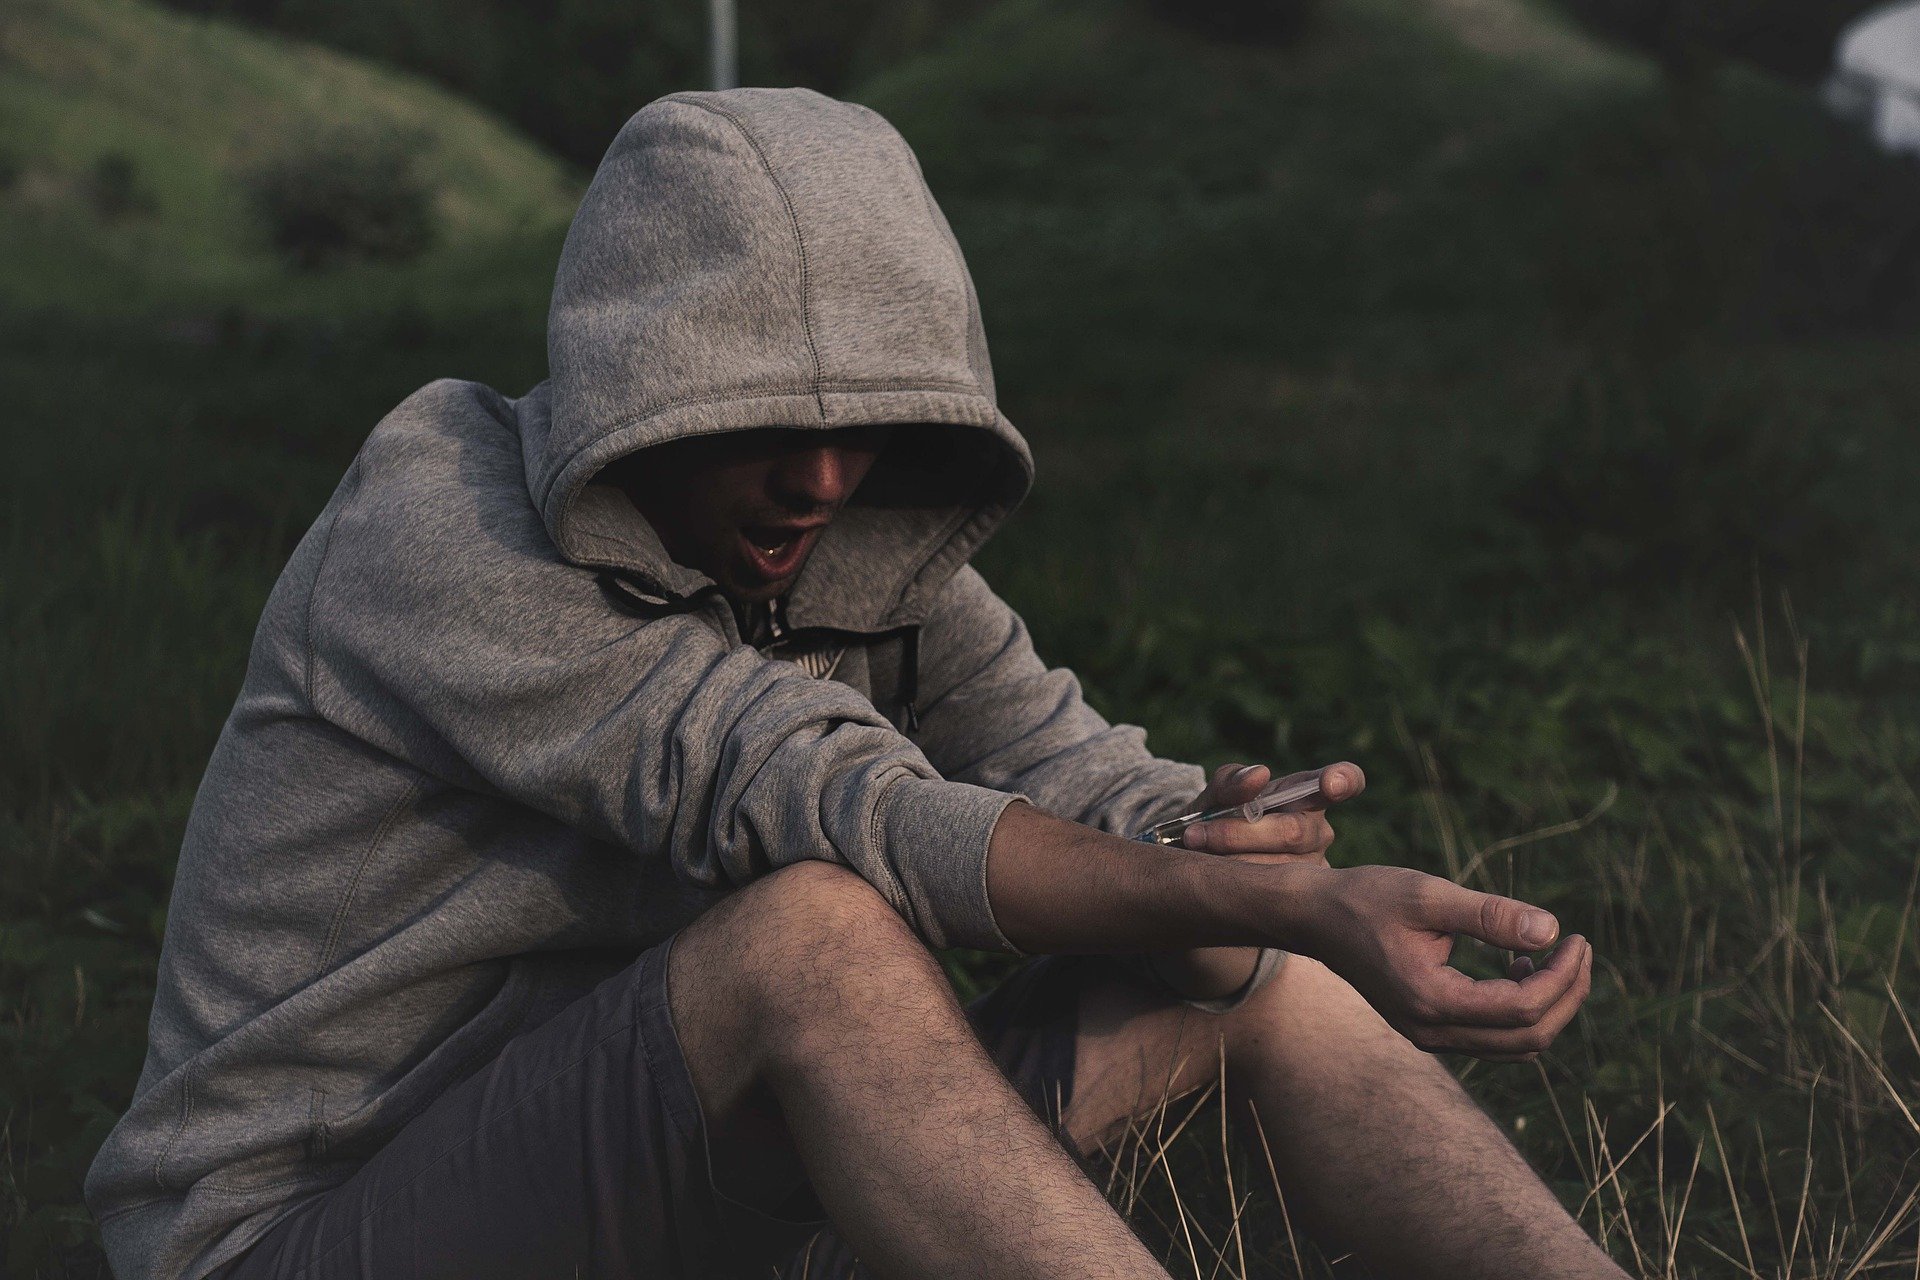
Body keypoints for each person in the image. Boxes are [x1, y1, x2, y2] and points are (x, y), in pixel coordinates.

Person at [86, 87, 1621, 1280]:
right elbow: (817, 792)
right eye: (759, 421)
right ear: (641, 387)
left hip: (676, 1213)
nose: (819, 478)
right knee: (814, 934)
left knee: (1251, 985)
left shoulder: (852, 554)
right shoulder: (444, 520)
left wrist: (1234, 854)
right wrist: (1253, 902)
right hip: (317, 1236)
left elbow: (1061, 760)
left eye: (867, 422)